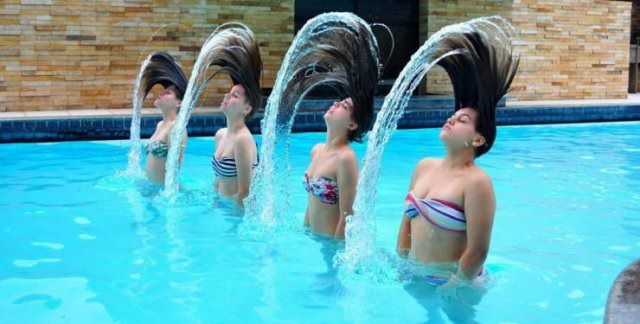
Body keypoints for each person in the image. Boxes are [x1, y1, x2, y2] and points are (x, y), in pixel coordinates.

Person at [396, 27, 519, 298]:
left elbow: (478, 248)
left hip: (457, 285)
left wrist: (455, 285)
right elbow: (406, 224)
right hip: (416, 276)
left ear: (478, 140)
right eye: (454, 116)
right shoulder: (424, 167)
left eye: (462, 120)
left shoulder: (476, 182)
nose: (451, 119)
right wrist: (401, 264)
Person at [211, 26, 262, 207]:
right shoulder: (221, 135)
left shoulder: (243, 140)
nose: (227, 96)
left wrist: (233, 227)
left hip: (236, 213)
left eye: (234, 96)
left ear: (247, 108)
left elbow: (246, 191)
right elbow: (218, 181)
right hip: (222, 208)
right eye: (229, 93)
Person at [140, 52, 188, 185]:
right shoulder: (160, 125)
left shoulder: (176, 128)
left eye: (168, 93)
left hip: (162, 196)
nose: (160, 92)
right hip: (152, 192)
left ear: (179, 102)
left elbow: (174, 171)